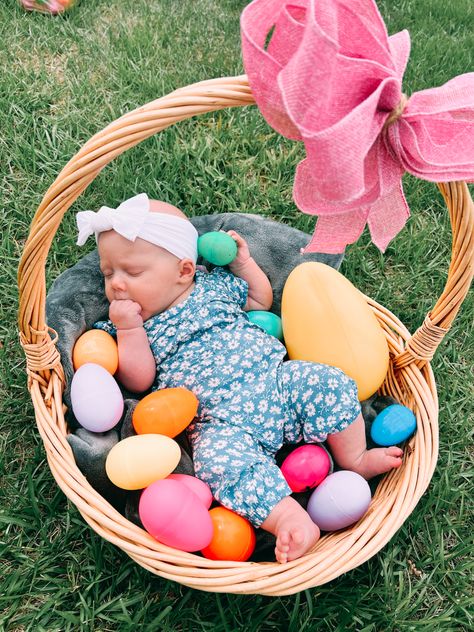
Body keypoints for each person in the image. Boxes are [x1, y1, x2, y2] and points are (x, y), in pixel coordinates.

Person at [76, 193, 403, 563]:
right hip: (219, 421)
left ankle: (355, 458)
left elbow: (260, 302)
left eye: (131, 272)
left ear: (184, 271)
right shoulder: (133, 326)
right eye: (108, 274)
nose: (116, 284)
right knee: (219, 466)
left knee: (330, 383)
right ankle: (288, 517)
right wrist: (130, 329)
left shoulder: (213, 286)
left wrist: (244, 264)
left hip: (276, 382)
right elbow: (138, 381)